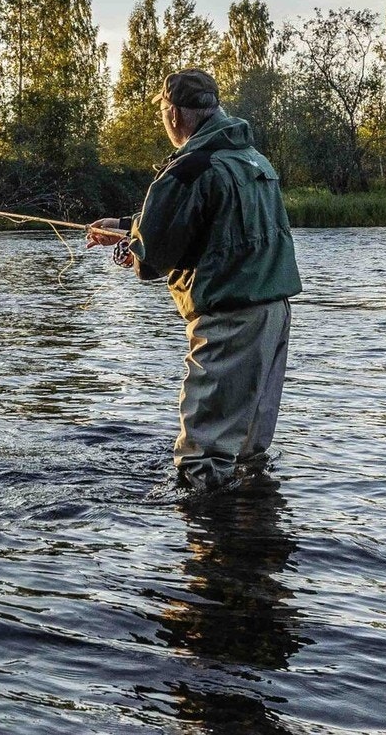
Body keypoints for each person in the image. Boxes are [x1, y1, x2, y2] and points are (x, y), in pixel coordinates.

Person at [88, 68, 302, 490]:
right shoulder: (251, 159)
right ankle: (251, 541)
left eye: (164, 113)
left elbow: (158, 252)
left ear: (174, 115)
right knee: (247, 452)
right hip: (272, 316)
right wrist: (126, 225)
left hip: (228, 322)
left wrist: (134, 252)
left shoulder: (190, 168)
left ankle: (207, 548)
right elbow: (208, 222)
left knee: (201, 459)